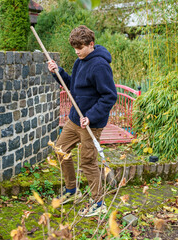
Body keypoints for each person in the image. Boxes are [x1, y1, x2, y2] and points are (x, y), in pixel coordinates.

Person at [47, 25, 117, 217]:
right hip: (74, 119)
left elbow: (109, 96)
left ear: (91, 44)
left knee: (88, 163)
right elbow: (72, 87)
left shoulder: (100, 65)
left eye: (80, 47)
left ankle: (98, 202)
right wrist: (57, 72)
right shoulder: (80, 61)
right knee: (61, 150)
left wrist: (91, 116)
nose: (77, 51)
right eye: (74, 48)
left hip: (91, 124)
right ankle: (71, 190)